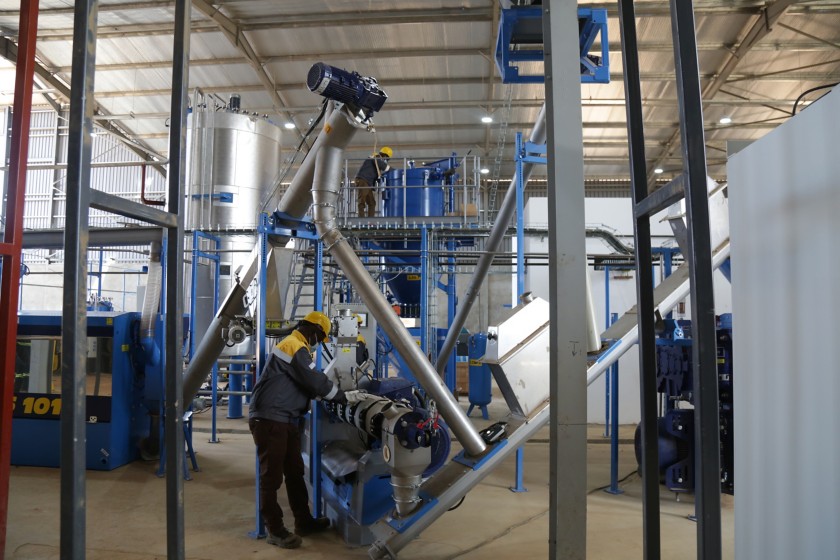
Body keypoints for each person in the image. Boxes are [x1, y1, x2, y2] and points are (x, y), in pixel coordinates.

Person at [248, 311, 347, 549]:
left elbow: (305, 384)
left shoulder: (298, 347)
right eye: (320, 337)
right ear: (312, 330)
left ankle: (303, 521)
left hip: (286, 420)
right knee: (270, 478)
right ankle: (275, 530)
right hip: (271, 420)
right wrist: (343, 397)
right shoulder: (294, 346)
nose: (318, 342)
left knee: (294, 472)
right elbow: (314, 380)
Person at [355, 146, 392, 217]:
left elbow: (377, 175)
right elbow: (383, 165)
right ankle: (361, 219)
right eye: (387, 159)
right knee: (362, 200)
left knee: (372, 203)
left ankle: (370, 220)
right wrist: (393, 170)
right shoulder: (375, 157)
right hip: (363, 180)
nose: (386, 160)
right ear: (384, 155)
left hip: (368, 183)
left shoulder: (377, 163)